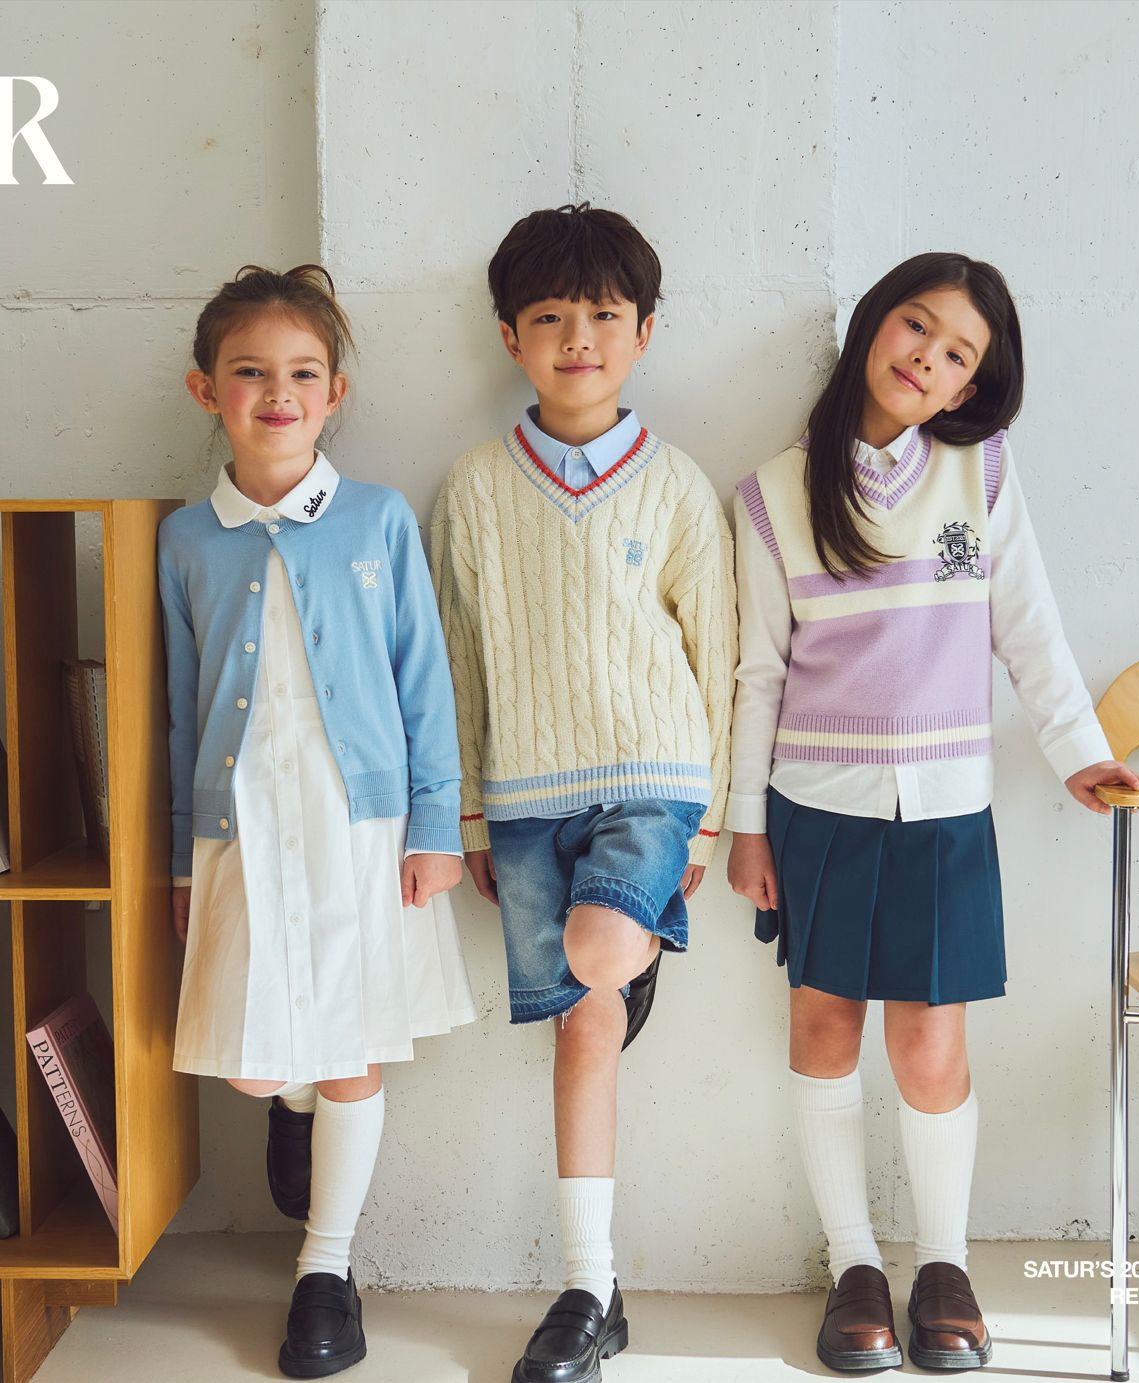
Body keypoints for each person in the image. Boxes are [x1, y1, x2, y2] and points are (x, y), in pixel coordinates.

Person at [725, 252, 1139, 1372]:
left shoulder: (981, 474)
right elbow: (757, 675)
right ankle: (853, 1265)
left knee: (928, 1043)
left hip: (947, 810)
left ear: (971, 386)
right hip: (817, 808)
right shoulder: (771, 495)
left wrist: (1079, 753)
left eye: (958, 354)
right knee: (824, 1030)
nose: (928, 358)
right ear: (875, 323)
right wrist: (746, 825)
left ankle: (944, 1266)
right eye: (917, 326)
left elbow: (1029, 628)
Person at [430, 204, 737, 1383]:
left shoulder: (676, 485)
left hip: (653, 778)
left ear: (644, 331)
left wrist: (712, 819)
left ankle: (635, 935)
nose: (578, 339)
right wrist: (466, 817)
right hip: (522, 796)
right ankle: (590, 1290)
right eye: (550, 317)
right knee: (582, 1030)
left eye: (604, 315)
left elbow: (717, 653)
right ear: (510, 336)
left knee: (601, 952)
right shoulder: (470, 489)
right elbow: (455, 667)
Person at [159, 263, 476, 1378]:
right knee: (255, 1064)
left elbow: (424, 679)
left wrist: (434, 825)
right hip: (240, 824)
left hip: (360, 828)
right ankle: (286, 1100)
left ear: (335, 393)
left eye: (302, 373)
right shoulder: (187, 539)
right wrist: (181, 856)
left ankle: (325, 1271)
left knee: (351, 1052)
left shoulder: (377, 520)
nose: (277, 393)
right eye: (250, 372)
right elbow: (178, 702)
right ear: (207, 391)